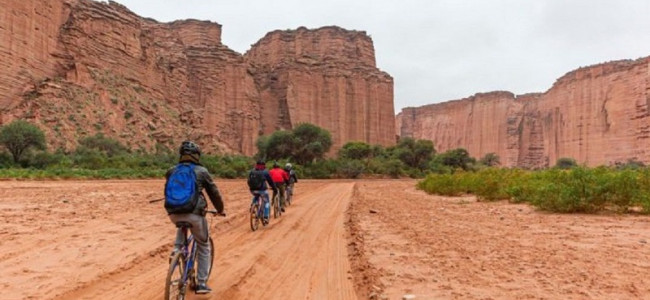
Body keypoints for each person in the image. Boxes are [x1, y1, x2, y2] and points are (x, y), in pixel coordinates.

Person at [165, 141, 225, 295]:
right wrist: (220, 209)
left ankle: (176, 252)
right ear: (197, 155)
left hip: (173, 212)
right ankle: (202, 283)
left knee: (181, 227)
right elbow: (214, 193)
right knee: (204, 245)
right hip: (194, 214)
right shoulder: (202, 171)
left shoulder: (171, 171)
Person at [248, 160, 276, 224]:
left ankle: (253, 205)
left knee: (256, 195)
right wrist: (274, 188)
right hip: (262, 190)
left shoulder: (252, 171)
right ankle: (266, 217)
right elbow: (270, 182)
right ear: (264, 166)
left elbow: (249, 180)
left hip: (253, 190)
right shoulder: (265, 172)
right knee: (266, 202)